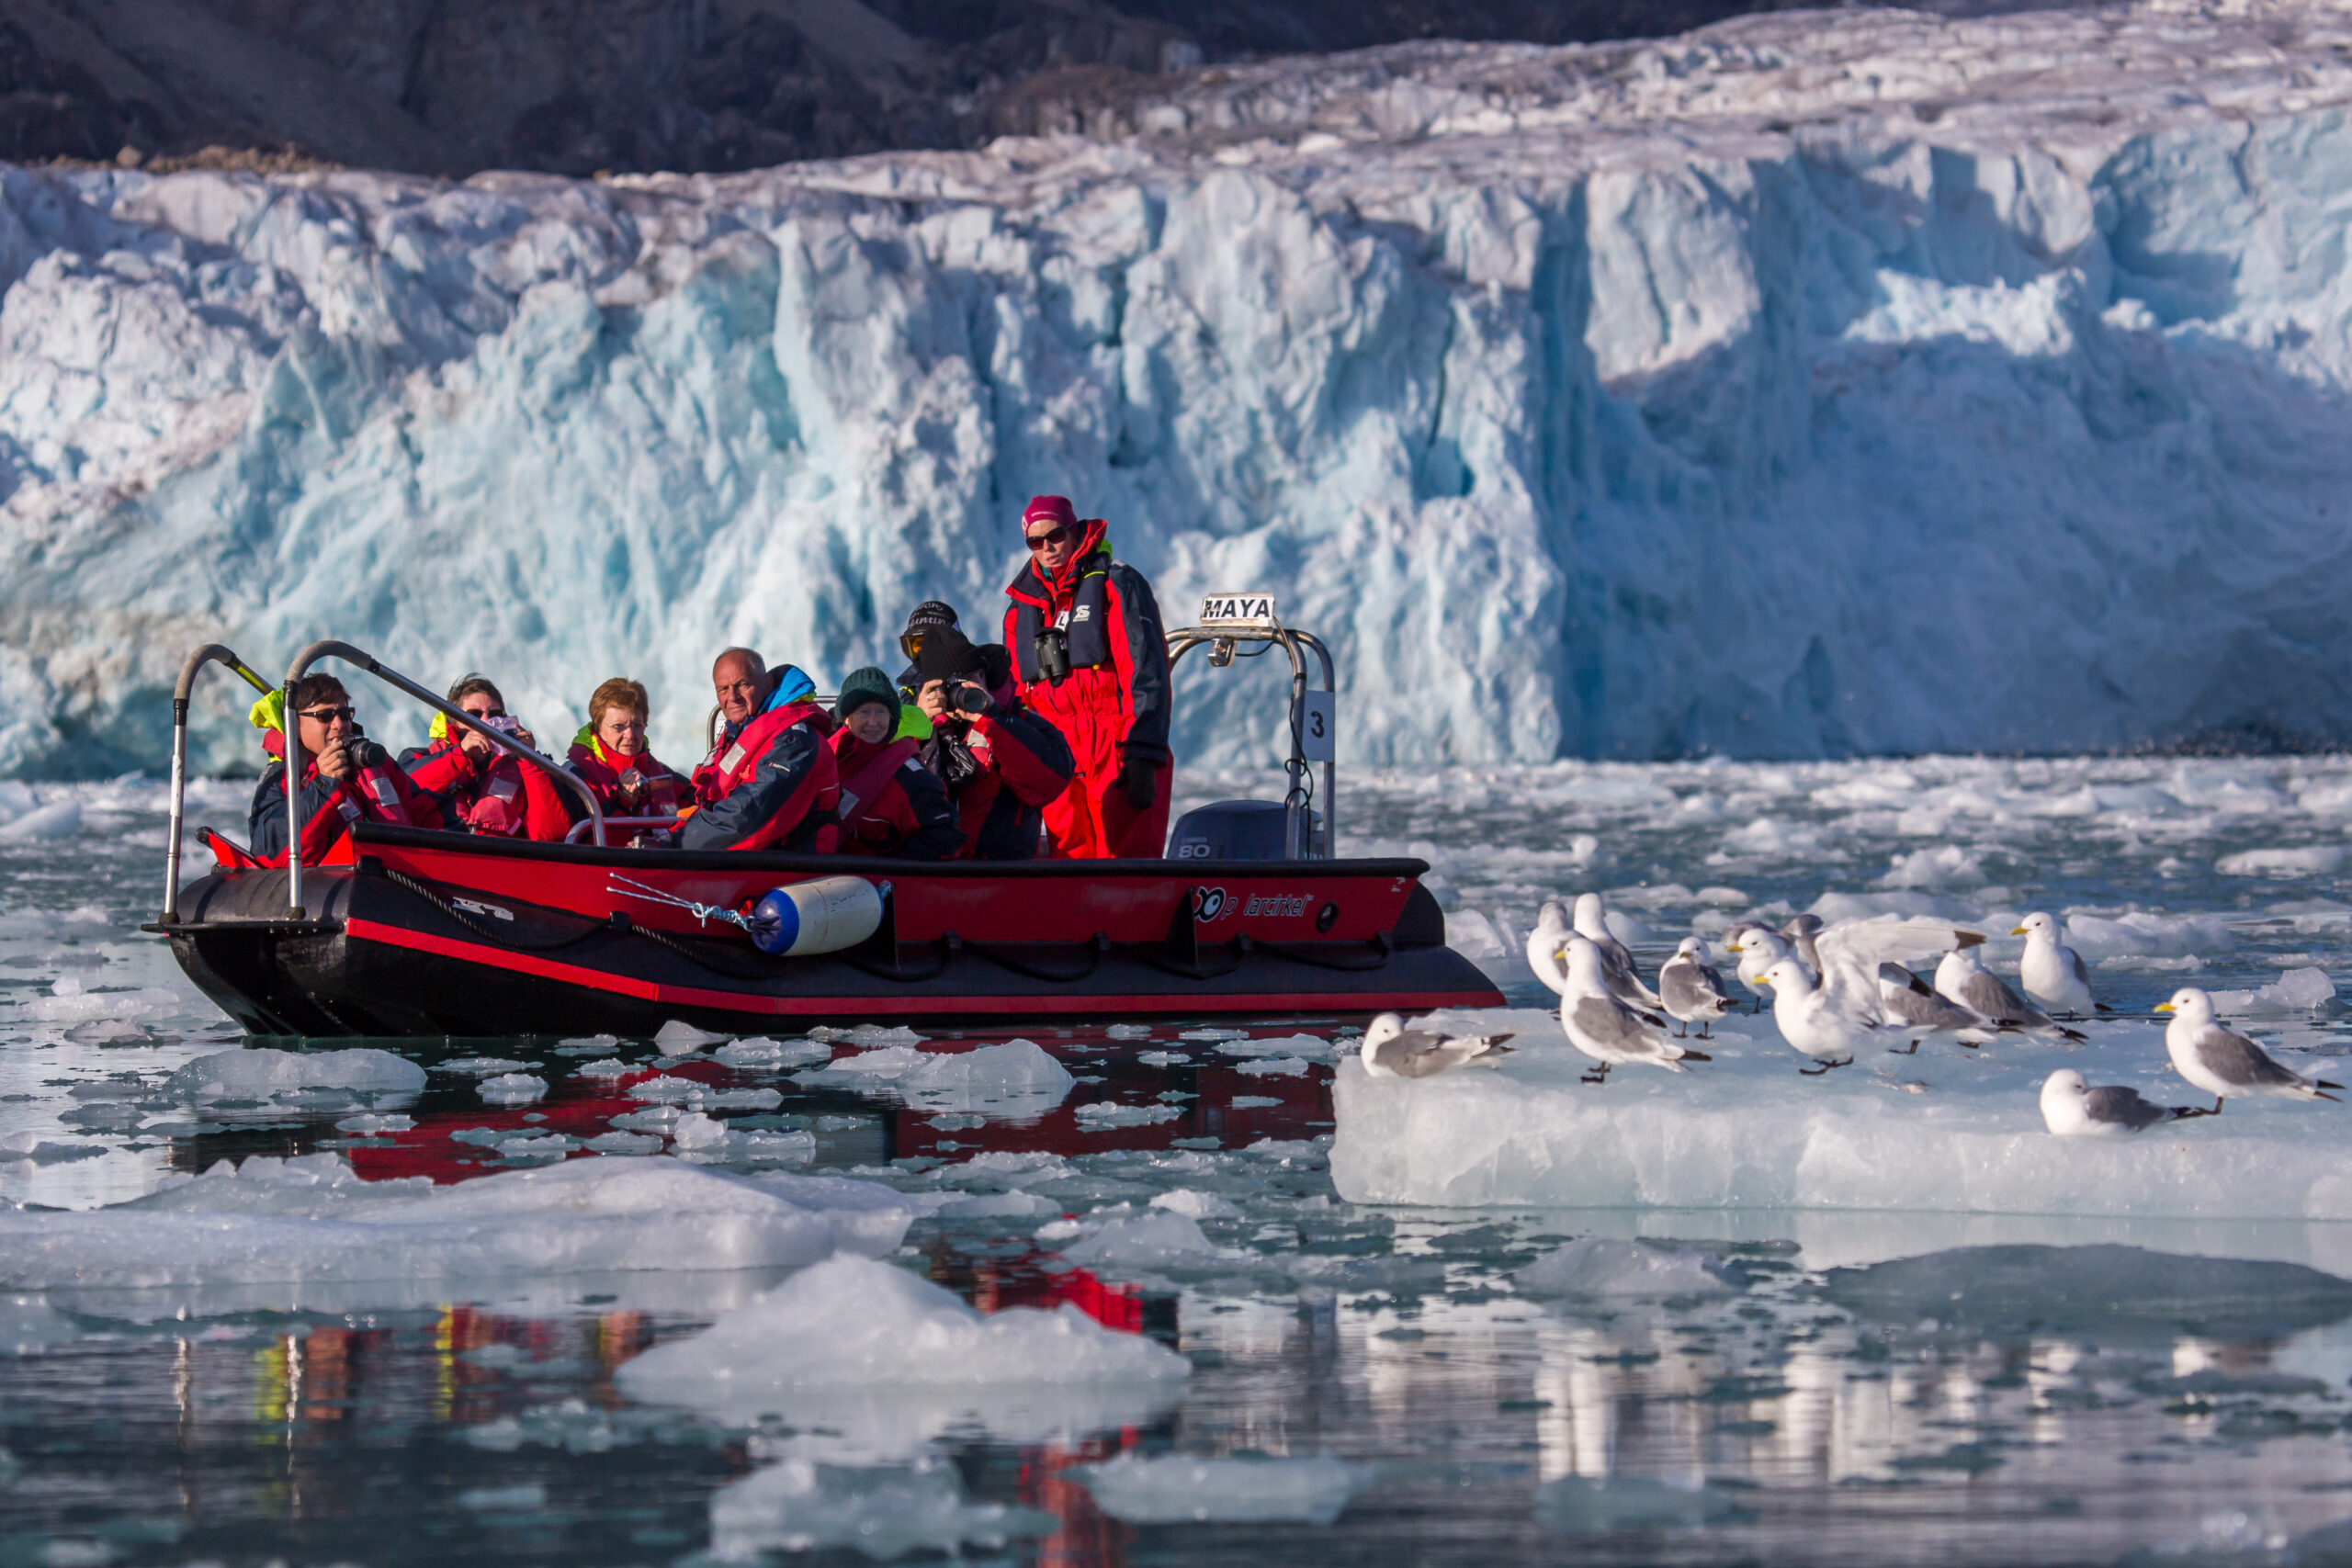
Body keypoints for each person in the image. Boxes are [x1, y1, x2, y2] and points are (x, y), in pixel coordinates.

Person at [1001, 494, 1172, 858]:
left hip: (1115, 747)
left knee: (1126, 864)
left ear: (1075, 531)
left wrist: (1144, 751)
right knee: (1070, 867)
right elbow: (1018, 697)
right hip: (1059, 754)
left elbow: (1145, 670)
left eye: (1056, 535)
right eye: (1035, 541)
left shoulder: (1116, 585)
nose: (1047, 547)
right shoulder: (1020, 612)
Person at [912, 629, 1075, 860]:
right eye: (951, 686)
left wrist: (993, 720)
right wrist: (917, 725)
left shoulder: (1016, 720)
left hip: (999, 873)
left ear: (984, 675)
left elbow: (1051, 781)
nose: (965, 689)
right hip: (936, 872)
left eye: (972, 677)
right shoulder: (915, 724)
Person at [247, 674, 439, 864]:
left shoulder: (375, 763)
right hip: (334, 889)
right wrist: (323, 786)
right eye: (324, 716)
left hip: (404, 881)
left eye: (344, 714)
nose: (339, 724)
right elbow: (272, 851)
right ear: (295, 725)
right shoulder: (284, 777)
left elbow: (424, 812)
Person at [665, 647, 839, 852]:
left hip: (791, 868)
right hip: (746, 858)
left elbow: (749, 815)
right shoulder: (740, 729)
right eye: (723, 689)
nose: (733, 696)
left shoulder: (794, 742)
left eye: (743, 685)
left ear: (766, 684)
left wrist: (674, 844)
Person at [397, 673, 570, 841]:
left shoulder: (524, 770)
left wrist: (530, 761)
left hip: (500, 863)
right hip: (438, 860)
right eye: (474, 714)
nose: (486, 722)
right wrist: (460, 754)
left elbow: (552, 835)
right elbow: (402, 792)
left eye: (495, 714)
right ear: (453, 722)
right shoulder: (419, 758)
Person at [827, 667, 964, 860]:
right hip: (818, 871)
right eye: (864, 712)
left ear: (892, 718)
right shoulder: (825, 756)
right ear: (846, 718)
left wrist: (887, 866)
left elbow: (947, 839)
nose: (873, 722)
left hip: (871, 883)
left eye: (881, 712)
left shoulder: (911, 778)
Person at [565, 676, 690, 823]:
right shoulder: (574, 779)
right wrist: (623, 801)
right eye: (619, 726)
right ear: (597, 727)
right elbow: (574, 838)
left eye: (637, 725)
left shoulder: (661, 775)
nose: (630, 735)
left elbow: (700, 806)